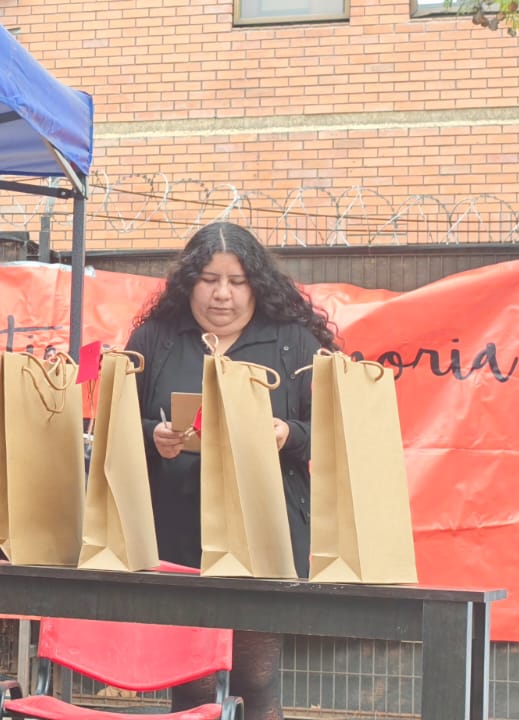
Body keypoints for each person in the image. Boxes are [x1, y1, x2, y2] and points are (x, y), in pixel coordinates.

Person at [123, 221, 338, 720]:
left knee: (255, 679)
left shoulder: (293, 341)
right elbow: (114, 425)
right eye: (209, 280)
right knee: (191, 681)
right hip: (177, 530)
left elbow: (334, 428)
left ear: (257, 284)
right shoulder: (155, 339)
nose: (222, 294)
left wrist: (288, 433)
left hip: (266, 527)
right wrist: (154, 436)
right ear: (188, 283)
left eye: (237, 282)